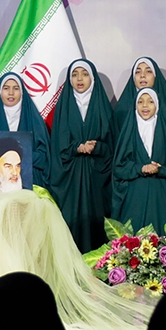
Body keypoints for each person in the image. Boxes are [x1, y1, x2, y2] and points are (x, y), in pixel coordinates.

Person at [50, 59, 114, 253]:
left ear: (92, 78)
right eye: (75, 74)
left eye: (85, 74)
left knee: (97, 227)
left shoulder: (102, 106)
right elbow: (58, 146)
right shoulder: (64, 107)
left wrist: (97, 147)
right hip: (71, 179)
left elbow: (112, 146)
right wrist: (75, 148)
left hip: (96, 179)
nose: (79, 79)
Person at [111, 89, 166, 232]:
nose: (145, 105)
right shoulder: (129, 131)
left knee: (165, 237)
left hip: (162, 194)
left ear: (157, 105)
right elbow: (119, 166)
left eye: (150, 102)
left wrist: (160, 169)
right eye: (140, 102)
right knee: (134, 239)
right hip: (135, 195)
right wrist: (140, 168)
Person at [0, 71, 54, 189]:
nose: (11, 93)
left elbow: (45, 156)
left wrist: (27, 156)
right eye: (6, 88)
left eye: (15, 88)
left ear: (22, 92)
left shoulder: (33, 120)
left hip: (32, 185)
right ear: (0, 92)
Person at [113, 56, 166, 147]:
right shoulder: (121, 110)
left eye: (148, 71)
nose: (142, 75)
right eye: (137, 72)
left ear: (155, 76)